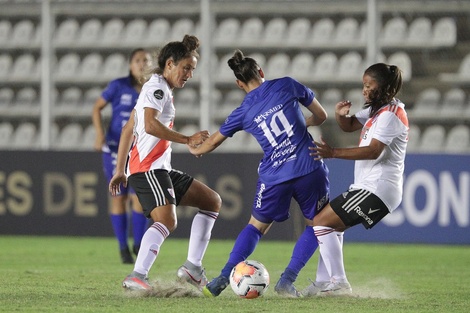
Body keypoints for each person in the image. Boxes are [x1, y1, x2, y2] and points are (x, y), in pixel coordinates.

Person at [188, 49, 330, 297]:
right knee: (318, 225)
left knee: (256, 227)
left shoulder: (242, 111)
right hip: (309, 167)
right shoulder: (287, 84)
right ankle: (287, 281)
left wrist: (194, 148)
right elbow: (321, 115)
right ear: (261, 72)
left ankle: (224, 276)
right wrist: (304, 123)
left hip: (275, 175)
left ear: (239, 84)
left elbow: (211, 143)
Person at [108, 35, 222, 291]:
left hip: (158, 168)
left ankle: (192, 269)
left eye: (192, 69)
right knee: (167, 221)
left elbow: (129, 128)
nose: (189, 74)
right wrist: (187, 139)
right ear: (170, 63)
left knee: (211, 201)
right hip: (148, 168)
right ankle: (137, 275)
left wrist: (119, 170)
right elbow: (149, 124)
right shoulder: (157, 88)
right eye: (186, 68)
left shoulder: (156, 87)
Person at [304, 62, 407, 296]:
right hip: (370, 186)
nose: (364, 90)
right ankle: (323, 282)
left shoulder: (391, 115)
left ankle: (338, 282)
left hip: (378, 188)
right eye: (363, 85)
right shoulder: (377, 111)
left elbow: (373, 151)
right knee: (331, 226)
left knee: (321, 221)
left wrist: (334, 153)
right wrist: (341, 116)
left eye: (369, 86)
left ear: (385, 89)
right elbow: (350, 125)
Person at [92, 48, 150, 264]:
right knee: (119, 197)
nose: (142, 64)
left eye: (146, 60)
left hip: (139, 150)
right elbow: (97, 108)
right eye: (137, 60)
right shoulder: (118, 86)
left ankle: (139, 243)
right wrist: (99, 134)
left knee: (139, 198)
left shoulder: (154, 88)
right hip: (115, 148)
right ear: (130, 65)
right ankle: (123, 248)